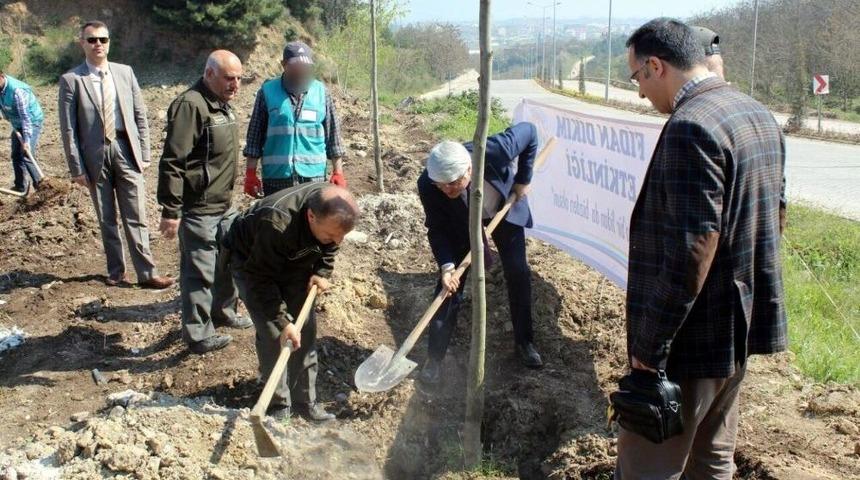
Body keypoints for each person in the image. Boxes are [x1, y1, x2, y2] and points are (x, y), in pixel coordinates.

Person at [617, 18, 787, 479]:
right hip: (736, 327)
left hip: (691, 339)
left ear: (656, 65)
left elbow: (692, 248)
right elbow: (778, 213)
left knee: (647, 467)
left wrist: (650, 350)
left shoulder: (690, 127)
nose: (639, 93)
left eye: (637, 78)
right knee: (713, 458)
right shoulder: (754, 112)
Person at [417, 122, 544, 387]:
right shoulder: (430, 185)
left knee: (518, 272)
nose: (446, 191)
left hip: (502, 208)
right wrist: (447, 267)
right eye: (441, 186)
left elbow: (530, 132)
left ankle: (525, 342)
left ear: (469, 170)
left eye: (452, 184)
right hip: (462, 221)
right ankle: (434, 359)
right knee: (450, 286)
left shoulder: (496, 151)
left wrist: (523, 179)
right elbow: (437, 228)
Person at [222, 183, 358, 421]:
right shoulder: (277, 222)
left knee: (304, 328)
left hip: (295, 260)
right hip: (252, 264)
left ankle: (305, 401)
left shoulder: (333, 212)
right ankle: (277, 404)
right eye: (330, 235)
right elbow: (260, 280)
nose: (336, 241)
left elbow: (331, 244)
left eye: (341, 236)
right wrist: (283, 321)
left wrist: (322, 271)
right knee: (274, 333)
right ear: (310, 216)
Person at [58, 20, 173, 289]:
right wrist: (76, 168)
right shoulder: (71, 80)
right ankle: (116, 271)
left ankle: (147, 273)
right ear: (82, 44)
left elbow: (139, 115)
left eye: (103, 40)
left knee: (136, 214)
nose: (98, 44)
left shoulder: (125, 72)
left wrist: (144, 153)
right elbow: (68, 128)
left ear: (109, 42)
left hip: (125, 148)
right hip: (94, 154)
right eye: (92, 40)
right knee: (106, 217)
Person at [157, 50, 252, 354]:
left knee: (227, 263)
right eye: (229, 78)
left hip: (223, 204)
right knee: (199, 271)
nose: (235, 84)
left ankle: (223, 312)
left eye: (239, 78)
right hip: (199, 207)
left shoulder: (223, 105)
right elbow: (173, 161)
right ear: (209, 73)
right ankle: (198, 335)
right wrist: (171, 210)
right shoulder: (191, 105)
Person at [242, 41, 346, 197]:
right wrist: (250, 174)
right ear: (283, 65)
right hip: (276, 178)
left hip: (314, 177)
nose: (300, 71)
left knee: (311, 221)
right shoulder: (267, 92)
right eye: (295, 66)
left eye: (305, 67)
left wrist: (338, 172)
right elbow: (254, 138)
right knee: (278, 220)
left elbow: (333, 138)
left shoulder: (322, 93)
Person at [0, 70, 45, 194]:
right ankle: (20, 186)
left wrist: (27, 141)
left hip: (31, 121)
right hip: (16, 122)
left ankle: (42, 188)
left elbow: (26, 118)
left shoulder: (17, 91)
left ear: (1, 76)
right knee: (16, 154)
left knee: (26, 153)